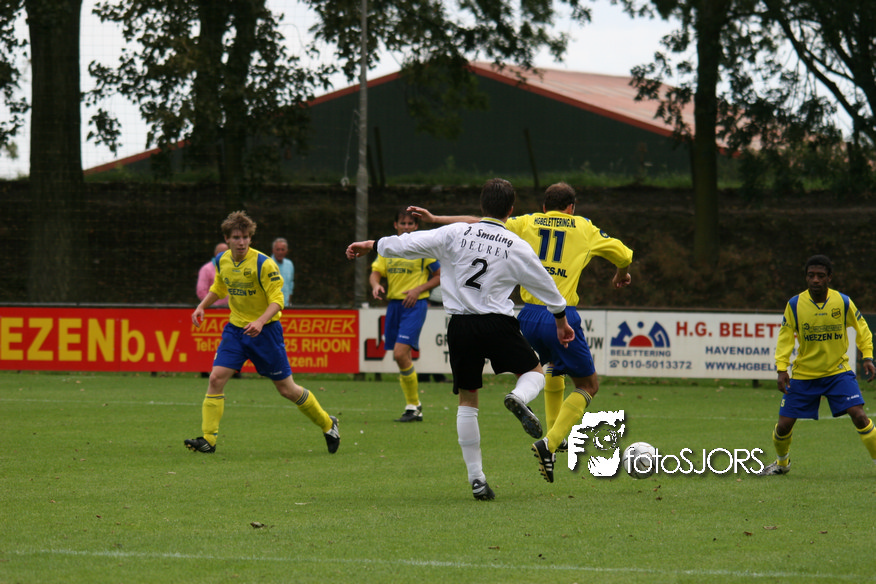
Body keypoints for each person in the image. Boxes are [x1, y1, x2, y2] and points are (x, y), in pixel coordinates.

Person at [347, 178, 574, 500]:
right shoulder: (517, 245)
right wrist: (561, 321)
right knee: (534, 373)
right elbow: (548, 288)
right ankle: (519, 397)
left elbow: (407, 243)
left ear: (481, 205)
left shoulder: (455, 233)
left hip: (461, 325)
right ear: (511, 210)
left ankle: (476, 478)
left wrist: (371, 245)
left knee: (468, 401)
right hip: (498, 322)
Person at [409, 181, 633, 483]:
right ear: (571, 207)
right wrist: (621, 273)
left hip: (527, 315)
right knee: (588, 385)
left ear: (544, 206)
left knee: (551, 367)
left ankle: (554, 436)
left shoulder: (527, 222)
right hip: (559, 315)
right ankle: (550, 442)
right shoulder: (584, 227)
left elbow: (479, 223)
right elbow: (624, 255)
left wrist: (436, 219)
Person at [186, 211, 339, 455]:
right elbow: (219, 287)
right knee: (215, 379)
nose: (241, 242)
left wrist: (260, 321)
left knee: (287, 390)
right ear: (227, 239)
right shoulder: (223, 260)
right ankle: (208, 440)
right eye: (236, 237)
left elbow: (278, 300)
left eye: (246, 237)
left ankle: (328, 424)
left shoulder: (263, 264)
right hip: (236, 330)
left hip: (266, 332)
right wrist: (202, 306)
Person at [759, 254, 876, 475]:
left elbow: (863, 330)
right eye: (811, 275)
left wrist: (867, 357)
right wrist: (782, 368)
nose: (815, 280)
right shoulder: (795, 304)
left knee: (859, 415)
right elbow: (785, 338)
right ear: (806, 278)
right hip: (804, 374)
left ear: (829, 278)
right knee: (783, 425)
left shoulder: (842, 302)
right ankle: (782, 464)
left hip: (838, 372)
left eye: (820, 275)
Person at [370, 209, 441, 422]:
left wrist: (418, 290)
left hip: (415, 305)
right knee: (401, 356)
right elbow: (375, 273)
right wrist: (375, 285)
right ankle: (413, 407)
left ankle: (414, 405)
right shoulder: (388, 247)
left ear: (416, 226)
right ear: (396, 225)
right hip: (394, 305)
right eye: (403, 223)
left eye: (411, 223)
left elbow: (439, 275)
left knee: (400, 354)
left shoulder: (423, 248)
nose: (407, 227)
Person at [197, 243, 229, 308]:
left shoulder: (233, 268)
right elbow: (201, 291)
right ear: (215, 254)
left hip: (231, 309)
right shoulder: (206, 269)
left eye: (226, 253)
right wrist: (212, 305)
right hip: (213, 309)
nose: (224, 255)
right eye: (221, 253)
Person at [271, 237, 295, 305]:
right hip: (271, 305)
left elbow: (290, 285)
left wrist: (289, 303)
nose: (280, 252)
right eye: (278, 249)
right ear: (273, 250)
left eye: (282, 249)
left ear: (286, 251)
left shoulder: (289, 264)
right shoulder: (267, 264)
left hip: (286, 305)